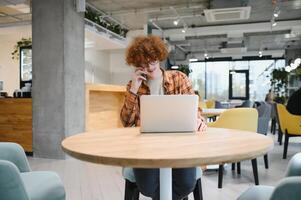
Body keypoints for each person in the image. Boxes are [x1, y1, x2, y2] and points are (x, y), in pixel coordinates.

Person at [120, 35, 207, 200]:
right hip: (146, 149)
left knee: (186, 184)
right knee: (146, 187)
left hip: (180, 147)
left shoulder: (179, 78)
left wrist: (199, 120)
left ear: (158, 57)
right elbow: (126, 122)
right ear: (138, 64)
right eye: (144, 63)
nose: (149, 66)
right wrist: (133, 90)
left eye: (152, 61)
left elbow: (195, 110)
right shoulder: (134, 86)